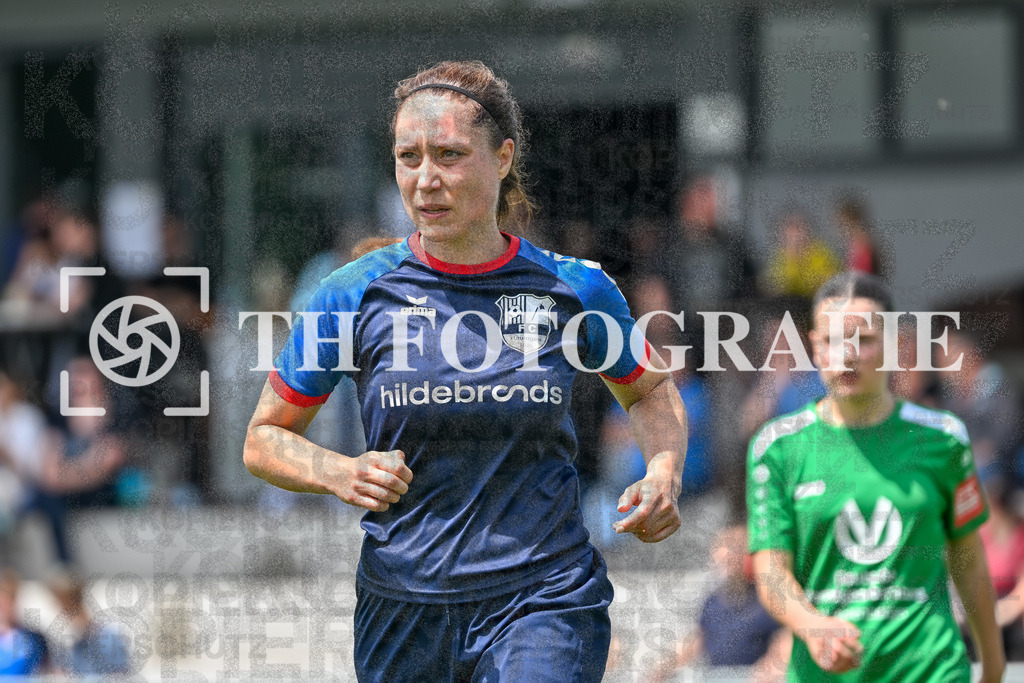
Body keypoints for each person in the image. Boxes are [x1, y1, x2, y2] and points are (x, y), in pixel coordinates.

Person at [243, 60, 688, 682]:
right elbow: (263, 439)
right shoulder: (352, 294)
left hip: (543, 595)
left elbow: (650, 393)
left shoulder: (574, 289)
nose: (425, 180)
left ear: (502, 158)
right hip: (402, 605)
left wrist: (662, 471)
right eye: (408, 157)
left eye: (449, 156)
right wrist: (338, 471)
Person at [747, 271, 1004, 681]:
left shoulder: (943, 438)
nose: (847, 355)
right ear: (814, 347)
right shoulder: (777, 447)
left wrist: (992, 666)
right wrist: (813, 626)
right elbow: (770, 573)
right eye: (833, 341)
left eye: (864, 340)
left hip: (931, 670)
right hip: (825, 673)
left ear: (890, 348)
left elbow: (968, 561)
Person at [649, 523, 789, 682]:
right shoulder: (712, 602)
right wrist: (662, 669)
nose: (723, 558)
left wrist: (770, 666)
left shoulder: (766, 598)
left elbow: (785, 638)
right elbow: (697, 640)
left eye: (733, 550)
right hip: (716, 676)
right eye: (720, 550)